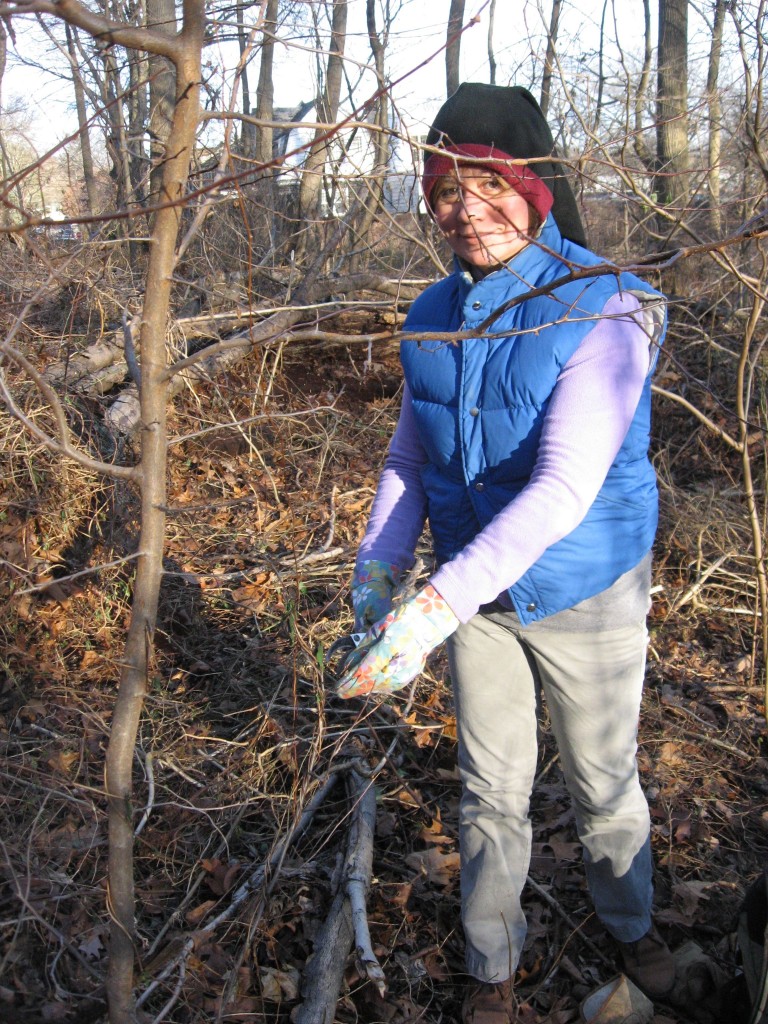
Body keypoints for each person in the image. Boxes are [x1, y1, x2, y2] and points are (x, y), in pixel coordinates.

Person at [336, 82, 674, 1024]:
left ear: (538, 187)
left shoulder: (610, 306)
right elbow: (411, 454)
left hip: (584, 589)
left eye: (490, 186)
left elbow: (563, 488)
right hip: (477, 597)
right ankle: (492, 967)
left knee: (603, 784)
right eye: (447, 190)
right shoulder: (431, 311)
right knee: (490, 789)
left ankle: (636, 931)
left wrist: (434, 604)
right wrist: (376, 573)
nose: (467, 212)